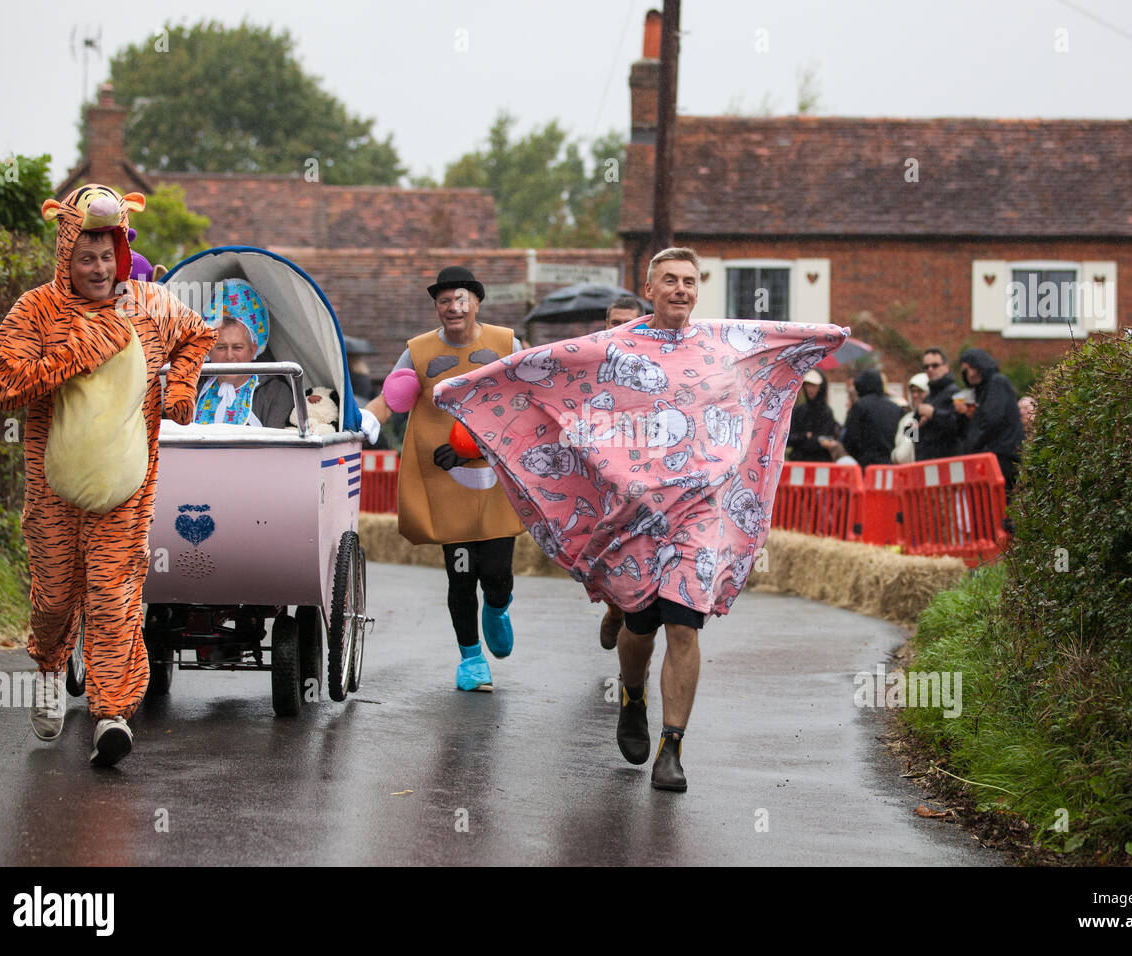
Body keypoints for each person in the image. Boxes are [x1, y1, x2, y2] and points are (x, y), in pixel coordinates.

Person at [434, 247, 851, 792]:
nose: (681, 289)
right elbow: (542, 372)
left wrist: (822, 337)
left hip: (700, 514)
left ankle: (671, 748)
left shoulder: (721, 344)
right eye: (670, 280)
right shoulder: (614, 347)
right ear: (649, 291)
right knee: (641, 623)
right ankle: (632, 696)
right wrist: (463, 389)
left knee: (684, 622)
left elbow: (773, 342)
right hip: (634, 515)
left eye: (689, 281)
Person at [0, 184, 215, 767]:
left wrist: (182, 386)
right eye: (85, 255)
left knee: (114, 596)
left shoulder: (149, 305)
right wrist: (81, 348)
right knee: (57, 596)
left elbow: (199, 333)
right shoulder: (37, 310)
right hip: (53, 485)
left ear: (122, 254)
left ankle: (111, 712)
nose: (97, 267)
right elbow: (6, 384)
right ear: (66, 253)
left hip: (126, 485)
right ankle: (47, 665)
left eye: (106, 254)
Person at [365, 267, 524, 692]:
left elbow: (526, 399)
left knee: (496, 573)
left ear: (477, 302)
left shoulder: (506, 344)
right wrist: (362, 421)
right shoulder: (417, 351)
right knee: (460, 576)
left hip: (494, 481)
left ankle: (497, 605)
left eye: (460, 299)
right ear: (436, 307)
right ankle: (471, 659)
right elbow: (391, 397)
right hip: (445, 480)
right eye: (444, 301)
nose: (452, 308)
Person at [597, 295, 647, 650]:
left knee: (647, 558)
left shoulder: (660, 363)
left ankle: (638, 639)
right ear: (606, 325)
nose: (623, 329)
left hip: (650, 478)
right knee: (611, 555)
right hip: (603, 476)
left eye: (630, 322)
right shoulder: (590, 358)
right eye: (616, 322)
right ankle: (616, 611)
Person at [192, 280, 295, 428]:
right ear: (208, 350)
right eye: (221, 347)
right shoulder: (192, 389)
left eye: (237, 347)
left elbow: (278, 449)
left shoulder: (275, 394)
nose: (229, 356)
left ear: (252, 350)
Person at [956, 349, 1025, 495]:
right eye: (966, 371)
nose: (970, 374)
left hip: (1002, 457)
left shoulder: (996, 382)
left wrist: (972, 443)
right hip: (995, 457)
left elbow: (992, 419)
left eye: (971, 369)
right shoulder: (983, 390)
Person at [841, 368, 904, 469]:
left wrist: (861, 456)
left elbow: (849, 439)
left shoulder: (860, 406)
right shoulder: (898, 409)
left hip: (867, 467)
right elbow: (909, 440)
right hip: (892, 468)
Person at [914, 348, 962, 461]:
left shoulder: (956, 394)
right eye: (926, 367)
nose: (930, 369)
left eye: (935, 365)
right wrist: (915, 421)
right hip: (926, 463)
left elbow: (959, 426)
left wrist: (933, 414)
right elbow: (910, 437)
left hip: (947, 462)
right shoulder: (928, 397)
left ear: (946, 367)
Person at [786, 368, 839, 462]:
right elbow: (787, 439)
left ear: (820, 387)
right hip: (799, 464)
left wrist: (809, 439)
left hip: (820, 464)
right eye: (808, 385)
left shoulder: (826, 412)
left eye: (814, 385)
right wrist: (805, 436)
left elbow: (826, 440)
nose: (810, 389)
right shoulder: (799, 410)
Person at [891, 373, 931, 464]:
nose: (915, 395)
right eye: (913, 391)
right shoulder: (909, 419)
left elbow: (901, 456)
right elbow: (901, 456)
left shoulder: (932, 417)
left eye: (920, 391)